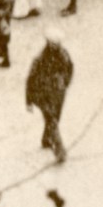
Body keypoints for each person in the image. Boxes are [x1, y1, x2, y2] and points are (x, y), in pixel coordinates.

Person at [25, 27, 73, 164]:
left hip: (58, 93)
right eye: (54, 43)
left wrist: (65, 83)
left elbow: (70, 68)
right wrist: (29, 101)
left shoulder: (63, 54)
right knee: (52, 119)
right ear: (48, 43)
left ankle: (46, 140)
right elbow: (31, 79)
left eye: (57, 43)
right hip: (43, 94)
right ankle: (60, 151)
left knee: (54, 118)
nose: (56, 46)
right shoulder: (41, 59)